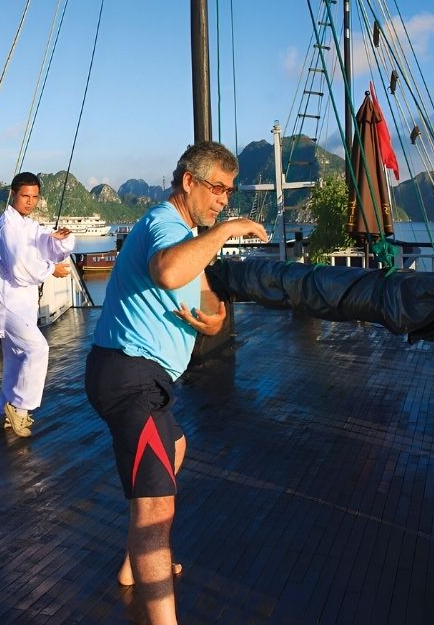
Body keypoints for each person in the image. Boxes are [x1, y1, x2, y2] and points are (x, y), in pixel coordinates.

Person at [84, 141, 267, 624]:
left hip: (141, 378)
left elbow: (204, 293)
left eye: (230, 192)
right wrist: (227, 231)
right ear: (189, 181)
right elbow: (168, 270)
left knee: (176, 447)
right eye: (218, 189)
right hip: (131, 376)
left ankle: (133, 566)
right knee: (156, 512)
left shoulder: (186, 233)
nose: (224, 200)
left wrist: (212, 320)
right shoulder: (165, 223)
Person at [0, 171, 76, 437]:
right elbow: (18, 266)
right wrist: (50, 270)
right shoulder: (6, 225)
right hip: (9, 304)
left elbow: (44, 243)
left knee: (16, 360)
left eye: (35, 197)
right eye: (25, 196)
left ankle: (0, 412)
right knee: (38, 349)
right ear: (13, 194)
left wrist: (59, 240)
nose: (30, 202)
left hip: (21, 305)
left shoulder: (28, 226)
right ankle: (20, 407)